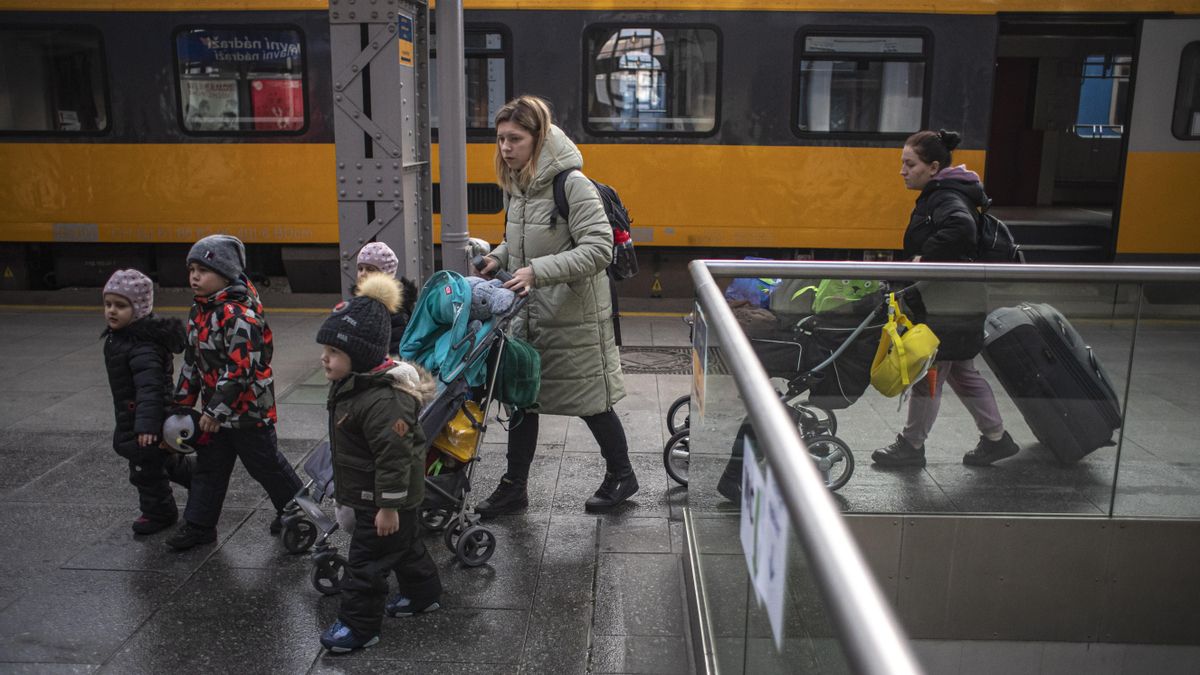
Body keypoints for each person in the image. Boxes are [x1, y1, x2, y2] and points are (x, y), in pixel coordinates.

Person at [475, 95, 638, 514]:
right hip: (530, 316)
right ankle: (514, 487)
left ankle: (622, 476)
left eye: (515, 138)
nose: (505, 147)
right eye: (501, 139)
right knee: (523, 401)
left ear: (539, 137)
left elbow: (598, 249)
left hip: (572, 316)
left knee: (591, 401)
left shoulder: (572, 185)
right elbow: (521, 241)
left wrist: (536, 272)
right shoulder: (518, 186)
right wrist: (498, 257)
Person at [871, 129, 1020, 468]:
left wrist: (923, 259)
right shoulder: (947, 193)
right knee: (962, 372)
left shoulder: (945, 197)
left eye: (910, 164)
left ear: (934, 167)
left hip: (949, 305)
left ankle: (911, 445)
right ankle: (996, 438)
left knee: (929, 372)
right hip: (958, 300)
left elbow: (961, 229)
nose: (903, 171)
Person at [315, 274, 442, 653]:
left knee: (366, 564)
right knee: (406, 547)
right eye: (325, 349)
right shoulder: (356, 385)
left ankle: (359, 628)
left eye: (334, 351)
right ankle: (424, 594)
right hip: (380, 494)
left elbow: (394, 457)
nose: (324, 357)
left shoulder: (384, 401)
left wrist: (388, 506)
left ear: (361, 355)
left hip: (382, 498)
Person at [167, 234, 303, 550]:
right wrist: (182, 404)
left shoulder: (240, 315)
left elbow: (241, 369)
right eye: (192, 270)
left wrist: (215, 411)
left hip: (249, 412)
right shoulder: (200, 311)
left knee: (265, 465)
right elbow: (192, 362)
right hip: (215, 414)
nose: (194, 277)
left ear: (226, 274)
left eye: (203, 270)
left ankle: (296, 510)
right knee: (210, 467)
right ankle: (199, 526)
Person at [101, 269, 194, 534]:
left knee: (145, 470)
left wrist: (146, 427)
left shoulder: (143, 346)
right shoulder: (121, 337)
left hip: (146, 422)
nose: (111, 311)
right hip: (138, 416)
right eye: (108, 304)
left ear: (139, 309)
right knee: (165, 461)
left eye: (120, 306)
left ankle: (160, 513)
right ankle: (201, 479)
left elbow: (150, 390)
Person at [355, 242, 418, 355]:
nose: (363, 273)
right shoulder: (359, 302)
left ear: (386, 274)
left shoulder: (396, 309)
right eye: (360, 269)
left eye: (370, 269)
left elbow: (396, 345)